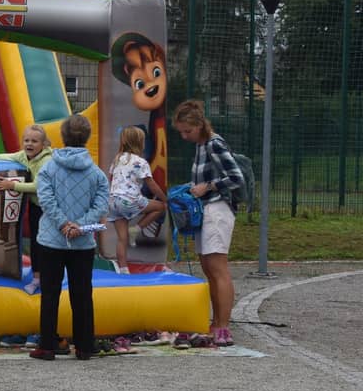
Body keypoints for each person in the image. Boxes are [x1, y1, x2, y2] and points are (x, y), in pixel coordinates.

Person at [29, 114, 108, 361]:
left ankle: (47, 345)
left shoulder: (49, 168)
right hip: (82, 242)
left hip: (51, 239)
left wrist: (63, 223)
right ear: (87, 138)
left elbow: (46, 199)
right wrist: (80, 225)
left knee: (50, 294)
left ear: (62, 136)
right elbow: (101, 204)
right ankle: (84, 346)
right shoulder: (97, 174)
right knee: (82, 294)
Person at [172, 99, 244, 347]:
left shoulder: (214, 143)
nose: (184, 136)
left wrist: (209, 186)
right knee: (208, 267)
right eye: (181, 132)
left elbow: (235, 177)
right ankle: (217, 322)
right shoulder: (200, 145)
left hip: (218, 209)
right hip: (206, 210)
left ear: (199, 125)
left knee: (217, 267)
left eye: (187, 131)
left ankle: (223, 326)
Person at [0, 125, 52, 298]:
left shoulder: (46, 161)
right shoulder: (24, 156)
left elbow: (38, 186)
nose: (29, 144)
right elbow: (5, 156)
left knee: (46, 244)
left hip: (51, 208)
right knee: (36, 243)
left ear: (43, 144)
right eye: (26, 140)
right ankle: (37, 278)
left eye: (34, 141)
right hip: (36, 206)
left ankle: (49, 277)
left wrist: (12, 185)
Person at [106, 126, 168, 274]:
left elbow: (111, 179)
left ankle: (123, 269)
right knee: (160, 207)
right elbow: (151, 184)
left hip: (113, 202)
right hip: (129, 200)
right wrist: (164, 198)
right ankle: (137, 228)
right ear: (140, 143)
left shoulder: (117, 159)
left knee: (122, 239)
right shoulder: (140, 162)